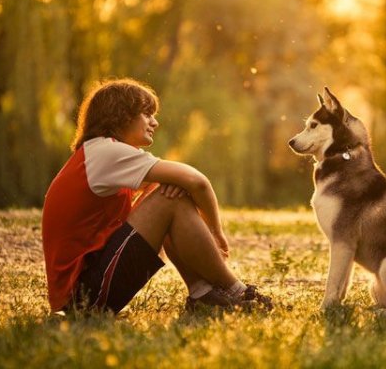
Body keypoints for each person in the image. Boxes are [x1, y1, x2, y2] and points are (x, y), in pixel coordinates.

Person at [41, 78, 272, 314]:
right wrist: (216, 233)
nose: (155, 122)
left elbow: (180, 183)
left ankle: (203, 293)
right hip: (85, 297)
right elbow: (197, 181)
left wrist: (171, 186)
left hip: (85, 292)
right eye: (147, 114)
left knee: (169, 191)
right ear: (121, 115)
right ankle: (237, 290)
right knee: (170, 195)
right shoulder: (105, 152)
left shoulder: (99, 153)